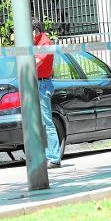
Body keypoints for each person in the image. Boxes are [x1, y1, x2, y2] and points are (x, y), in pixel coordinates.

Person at [32, 19, 61, 169]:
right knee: (39, 122)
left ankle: (54, 157)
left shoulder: (44, 43)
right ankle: (45, 155)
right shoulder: (36, 44)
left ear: (35, 30)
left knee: (46, 122)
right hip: (37, 83)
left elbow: (35, 63)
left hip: (43, 84)